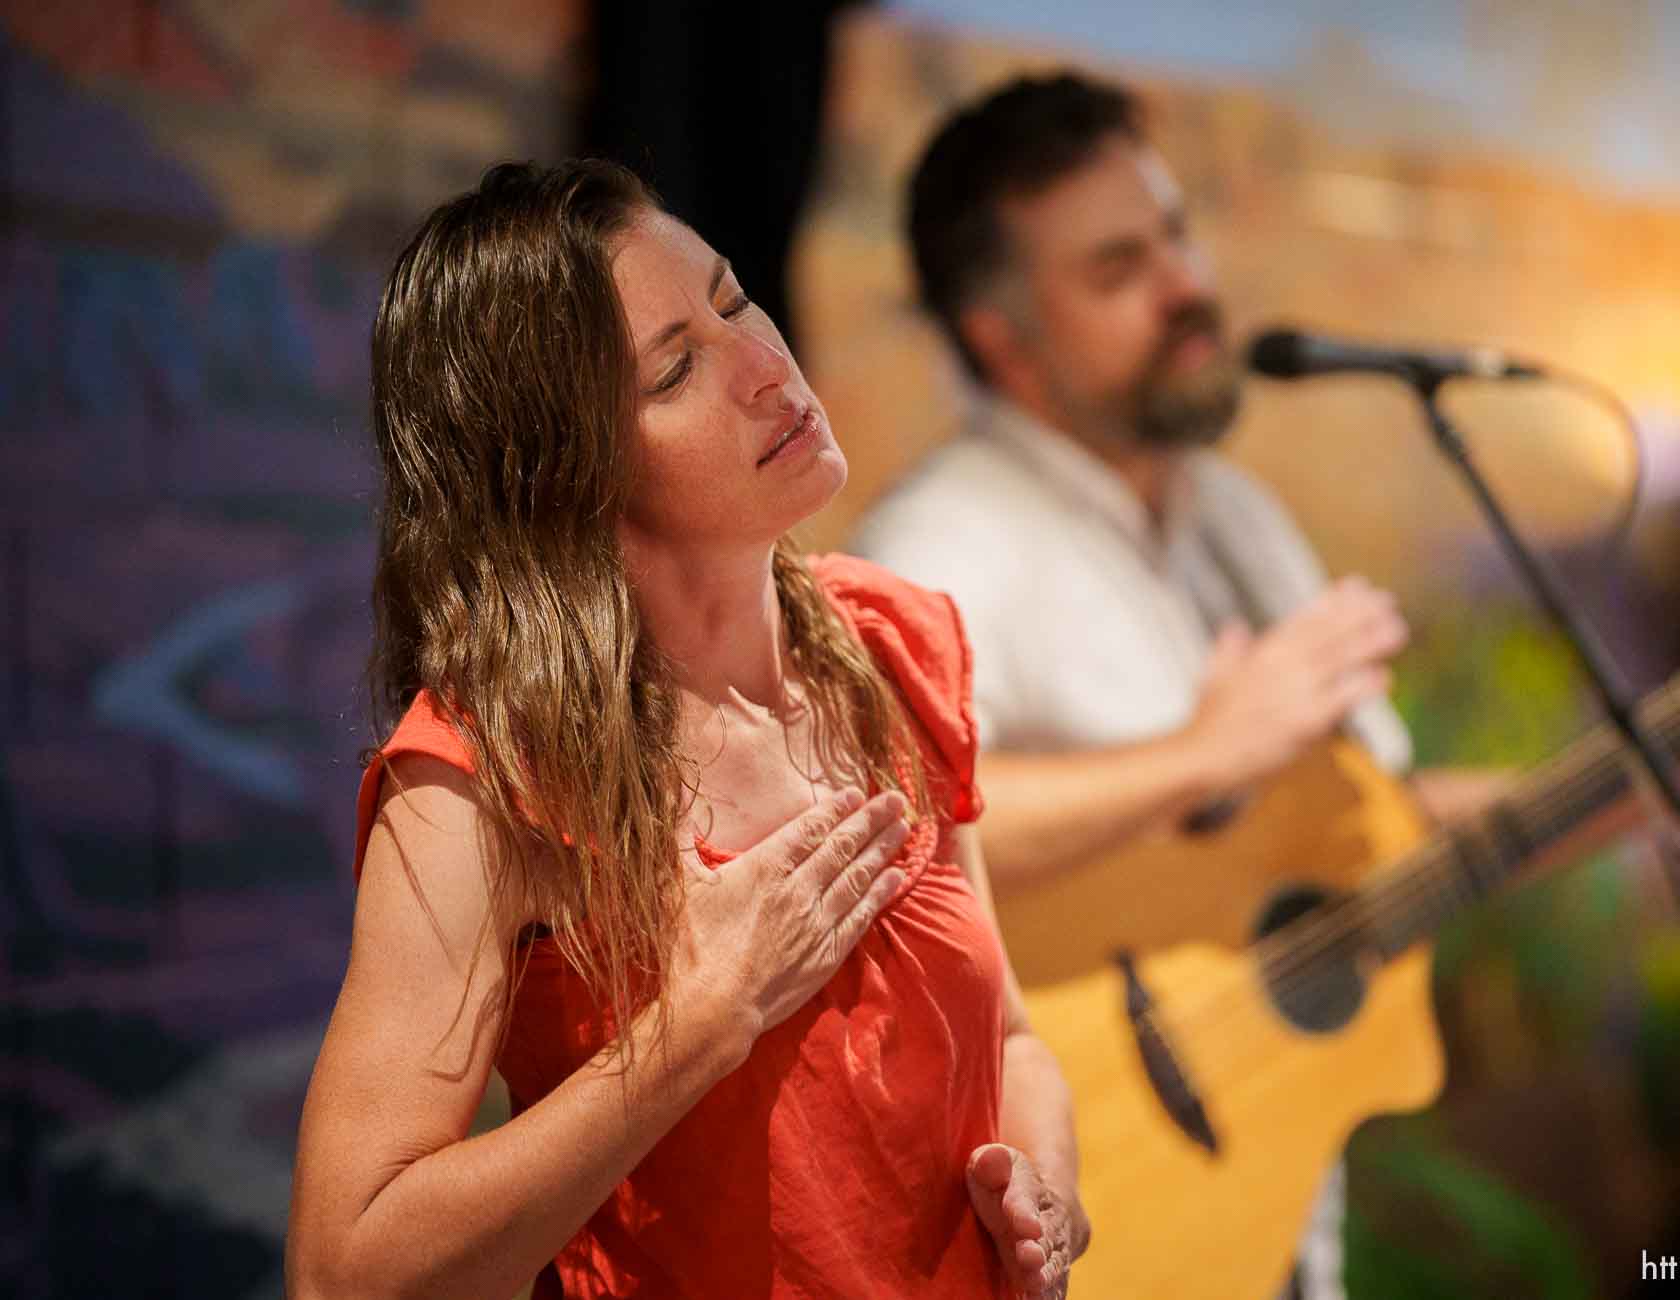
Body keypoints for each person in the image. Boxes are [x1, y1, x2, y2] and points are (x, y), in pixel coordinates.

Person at [849, 71, 1680, 1297]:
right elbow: (876, 826)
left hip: (1277, 1218)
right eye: (1116, 268)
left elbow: (1387, 831)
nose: (1186, 286)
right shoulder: (944, 542)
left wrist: (1679, 771)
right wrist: (1202, 757)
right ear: (1003, 339)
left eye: (1177, 234)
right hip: (1086, 1215)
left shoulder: (1234, 517)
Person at [286, 159, 1084, 1300]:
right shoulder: (485, 774)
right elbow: (346, 1266)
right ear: (565, 478)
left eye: (732, 300)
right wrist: (700, 1022)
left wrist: (1045, 1191)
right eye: (674, 371)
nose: (767, 368)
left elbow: (1009, 1038)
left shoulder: (896, 649)